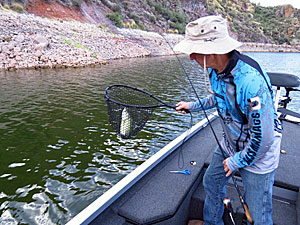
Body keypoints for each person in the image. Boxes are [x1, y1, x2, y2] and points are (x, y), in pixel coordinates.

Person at [174, 15, 282, 225]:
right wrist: (192, 106)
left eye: (193, 51)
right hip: (231, 142)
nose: (191, 57)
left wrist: (236, 161)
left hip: (258, 152)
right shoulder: (215, 71)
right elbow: (219, 97)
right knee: (212, 182)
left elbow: (264, 138)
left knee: (257, 213)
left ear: (210, 50)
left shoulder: (251, 83)